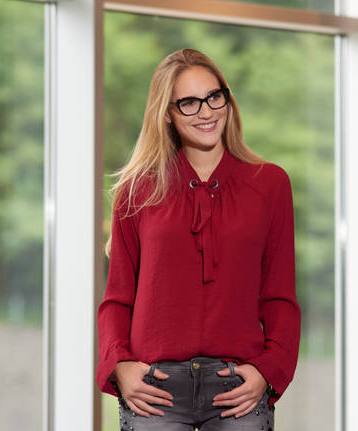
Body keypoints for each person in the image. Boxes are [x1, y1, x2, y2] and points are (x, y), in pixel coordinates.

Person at [96, 48, 301, 431]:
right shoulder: (136, 190)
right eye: (188, 103)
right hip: (154, 391)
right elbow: (117, 299)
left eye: (213, 97)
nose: (206, 112)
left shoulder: (271, 184)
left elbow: (280, 297)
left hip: (238, 390)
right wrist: (119, 365)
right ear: (167, 113)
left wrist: (269, 370)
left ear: (227, 99)